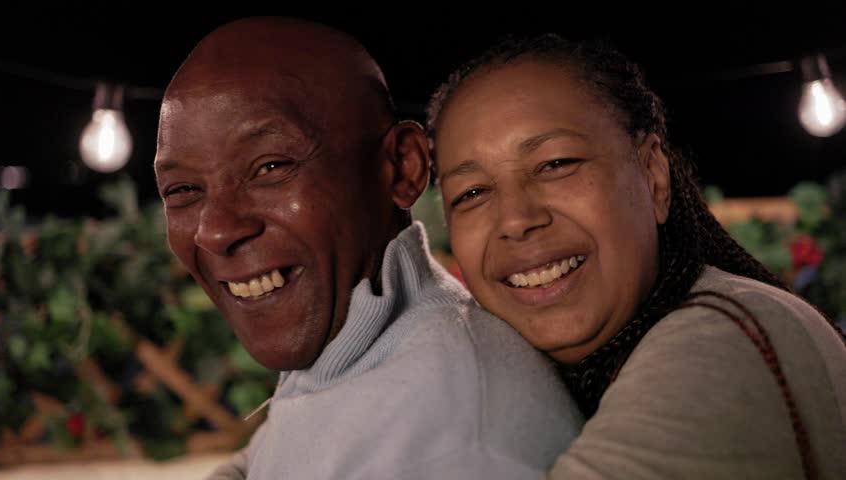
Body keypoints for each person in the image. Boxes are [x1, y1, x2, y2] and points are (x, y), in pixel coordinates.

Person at [154, 18, 582, 480]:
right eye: (182, 190)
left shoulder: (455, 441)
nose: (215, 231)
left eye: (271, 166)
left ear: (401, 168)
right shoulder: (350, 346)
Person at [426, 34, 846, 479]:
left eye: (556, 164)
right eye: (471, 193)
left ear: (654, 175)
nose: (515, 219)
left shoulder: (718, 347)